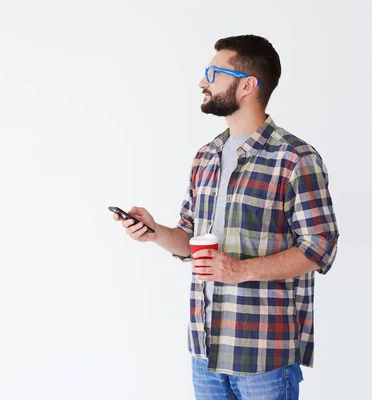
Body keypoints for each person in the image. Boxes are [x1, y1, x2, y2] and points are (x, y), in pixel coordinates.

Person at [112, 34, 339, 400]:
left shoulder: (295, 159)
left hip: (264, 355)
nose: (203, 82)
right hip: (205, 351)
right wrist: (155, 232)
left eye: (213, 73)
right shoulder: (206, 156)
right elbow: (189, 237)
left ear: (248, 85)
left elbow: (320, 249)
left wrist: (241, 270)